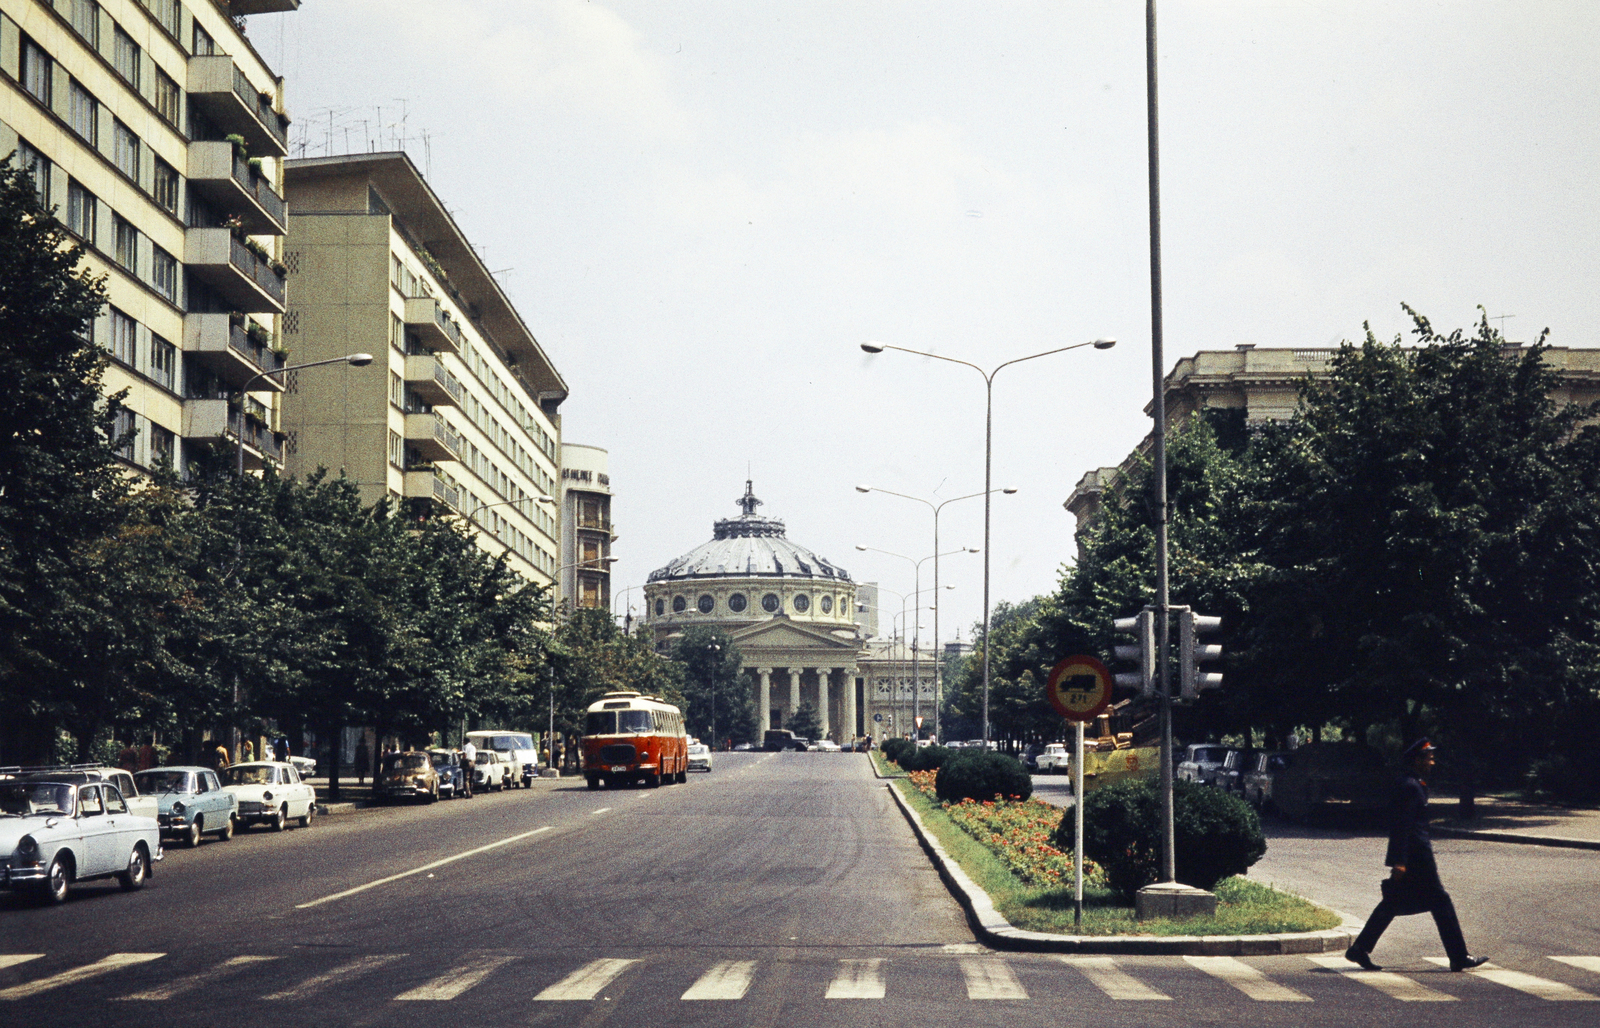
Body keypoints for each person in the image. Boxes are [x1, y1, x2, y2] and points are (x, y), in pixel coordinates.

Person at [1346, 738, 1487, 972]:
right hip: (1417, 857)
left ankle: (1359, 948)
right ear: (1417, 760)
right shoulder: (1409, 786)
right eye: (1429, 758)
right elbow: (1402, 826)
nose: (1433, 762)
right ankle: (1459, 956)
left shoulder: (1414, 783)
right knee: (1441, 901)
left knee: (1392, 903)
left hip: (1414, 855)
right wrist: (1399, 861)